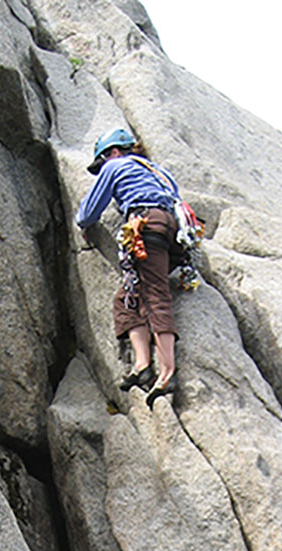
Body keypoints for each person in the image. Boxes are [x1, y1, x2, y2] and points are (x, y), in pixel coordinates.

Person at [75, 128, 181, 406]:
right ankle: (142, 366)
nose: (102, 169)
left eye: (102, 163)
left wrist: (83, 226)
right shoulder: (158, 171)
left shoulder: (115, 165)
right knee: (126, 299)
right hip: (171, 230)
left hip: (146, 225)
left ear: (111, 152)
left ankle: (168, 371)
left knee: (155, 294)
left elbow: (88, 212)